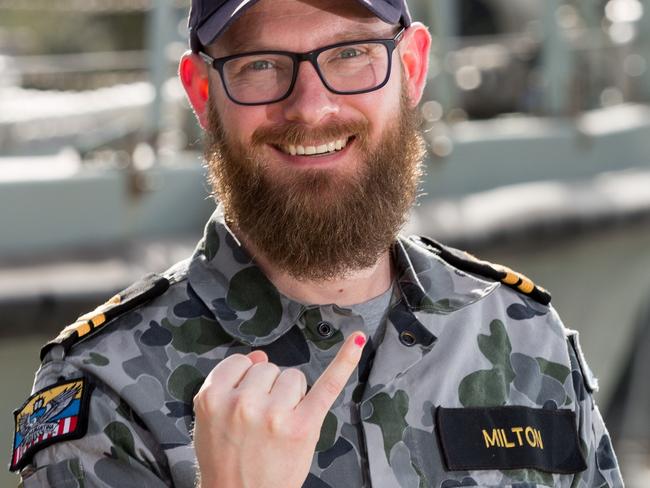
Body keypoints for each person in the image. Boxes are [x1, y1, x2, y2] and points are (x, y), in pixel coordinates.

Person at [10, 0, 624, 486]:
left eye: (351, 53)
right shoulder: (106, 392)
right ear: (202, 94)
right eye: (261, 65)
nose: (313, 107)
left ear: (410, 69)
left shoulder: (525, 334)